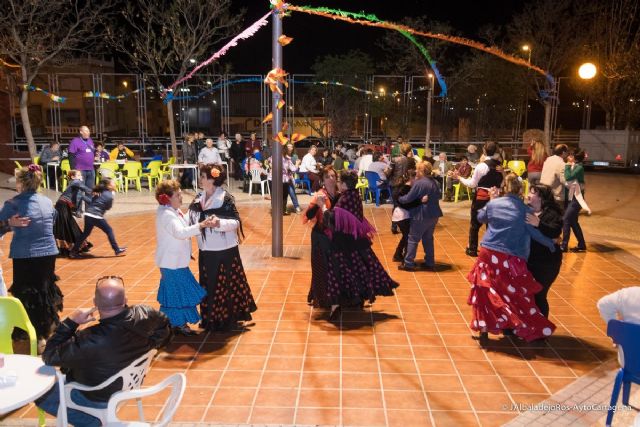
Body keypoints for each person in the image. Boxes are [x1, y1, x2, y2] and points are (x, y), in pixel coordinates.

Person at [37, 276, 172, 427]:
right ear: (125, 299)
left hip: (96, 396)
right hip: (128, 386)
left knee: (39, 392)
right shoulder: (146, 313)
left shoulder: (89, 339)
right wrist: (150, 345)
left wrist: (71, 322)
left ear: (95, 303)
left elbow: (49, 356)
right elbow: (165, 327)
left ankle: (92, 422)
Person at [467, 173, 557, 344]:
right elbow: (534, 233)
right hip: (511, 258)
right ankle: (517, 325)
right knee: (513, 293)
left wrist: (492, 201)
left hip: (488, 253)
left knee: (485, 291)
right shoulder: (525, 210)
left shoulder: (495, 204)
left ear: (503, 188)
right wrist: (551, 244)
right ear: (520, 190)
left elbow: (480, 218)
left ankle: (484, 328)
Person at [188, 164, 257, 331]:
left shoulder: (225, 198)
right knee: (209, 286)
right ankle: (211, 319)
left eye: (203, 177)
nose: (200, 180)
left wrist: (219, 223)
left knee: (226, 286)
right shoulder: (198, 198)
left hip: (224, 251)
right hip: (206, 251)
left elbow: (235, 222)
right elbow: (190, 220)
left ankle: (227, 320)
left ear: (212, 179)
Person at [322, 170, 399, 318]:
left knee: (338, 273)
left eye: (339, 181)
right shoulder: (355, 195)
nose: (337, 183)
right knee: (358, 270)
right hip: (356, 242)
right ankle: (356, 299)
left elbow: (332, 220)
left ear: (343, 184)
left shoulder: (345, 199)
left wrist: (323, 207)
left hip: (342, 244)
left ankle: (336, 304)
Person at [0, 165, 61, 342]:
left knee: (27, 292)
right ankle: (45, 328)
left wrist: (10, 224)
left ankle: (30, 331)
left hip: (26, 254)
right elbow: (53, 220)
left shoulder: (13, 204)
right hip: (48, 252)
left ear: (20, 183)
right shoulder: (47, 201)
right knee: (44, 289)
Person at [155, 180, 216, 336]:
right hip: (171, 263)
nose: (181, 198)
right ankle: (175, 325)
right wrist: (201, 225)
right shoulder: (167, 214)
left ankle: (174, 324)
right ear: (167, 198)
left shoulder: (172, 211)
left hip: (175, 262)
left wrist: (196, 207)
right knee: (177, 295)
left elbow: (184, 223)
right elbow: (180, 233)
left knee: (176, 294)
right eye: (178, 195)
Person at [459, 141, 504, 257]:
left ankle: (472, 249)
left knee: (475, 224)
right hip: (496, 199)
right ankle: (491, 250)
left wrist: (459, 178)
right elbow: (503, 184)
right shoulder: (500, 166)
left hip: (482, 198)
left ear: (484, 151)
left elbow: (472, 184)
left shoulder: (481, 166)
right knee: (491, 226)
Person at [525, 184, 563, 318]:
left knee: (539, 295)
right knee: (526, 295)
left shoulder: (552, 213)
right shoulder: (527, 211)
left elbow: (555, 231)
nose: (528, 195)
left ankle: (541, 331)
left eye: (532, 193)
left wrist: (539, 224)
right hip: (528, 261)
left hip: (547, 264)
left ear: (541, 198)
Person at [304, 167, 339, 308]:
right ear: (323, 180)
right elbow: (309, 215)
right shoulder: (320, 195)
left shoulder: (339, 194)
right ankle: (320, 297)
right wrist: (318, 205)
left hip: (335, 236)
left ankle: (332, 296)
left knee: (333, 267)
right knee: (320, 267)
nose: (331, 179)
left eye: (333, 176)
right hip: (320, 236)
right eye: (328, 176)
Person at [398, 162, 443, 271]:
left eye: (418, 170)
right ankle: (430, 262)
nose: (416, 172)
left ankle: (408, 263)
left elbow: (408, 198)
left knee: (413, 239)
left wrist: (399, 198)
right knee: (428, 239)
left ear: (422, 171)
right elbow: (439, 195)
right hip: (434, 215)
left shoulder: (419, 183)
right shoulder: (435, 182)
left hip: (421, 215)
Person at [69, 178, 126, 258]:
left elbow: (93, 202)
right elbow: (108, 207)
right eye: (113, 183)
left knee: (85, 233)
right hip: (96, 216)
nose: (115, 184)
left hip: (88, 214)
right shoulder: (109, 195)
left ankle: (73, 252)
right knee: (109, 230)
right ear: (109, 186)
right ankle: (116, 249)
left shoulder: (99, 192)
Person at [54, 170, 94, 256]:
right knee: (66, 225)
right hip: (61, 205)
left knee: (69, 225)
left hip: (65, 206)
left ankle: (73, 246)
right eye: (79, 175)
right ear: (72, 177)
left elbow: (85, 198)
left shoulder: (78, 188)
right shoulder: (75, 182)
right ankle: (66, 247)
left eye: (81, 175)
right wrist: (94, 191)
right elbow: (82, 187)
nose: (81, 176)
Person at [561, 149, 588, 252]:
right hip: (571, 199)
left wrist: (567, 165)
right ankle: (582, 245)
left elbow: (568, 177)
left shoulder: (579, 168)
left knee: (566, 220)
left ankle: (564, 246)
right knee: (573, 222)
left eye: (570, 155)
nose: (568, 157)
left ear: (574, 158)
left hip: (576, 200)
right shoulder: (575, 166)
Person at [68, 126, 96, 190]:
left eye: (89, 131)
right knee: (79, 190)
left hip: (91, 169)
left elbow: (91, 152)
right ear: (81, 132)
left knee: (89, 190)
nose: (89, 133)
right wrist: (73, 169)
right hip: (80, 170)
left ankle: (89, 200)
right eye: (86, 131)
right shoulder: (75, 141)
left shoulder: (90, 140)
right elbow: (71, 155)